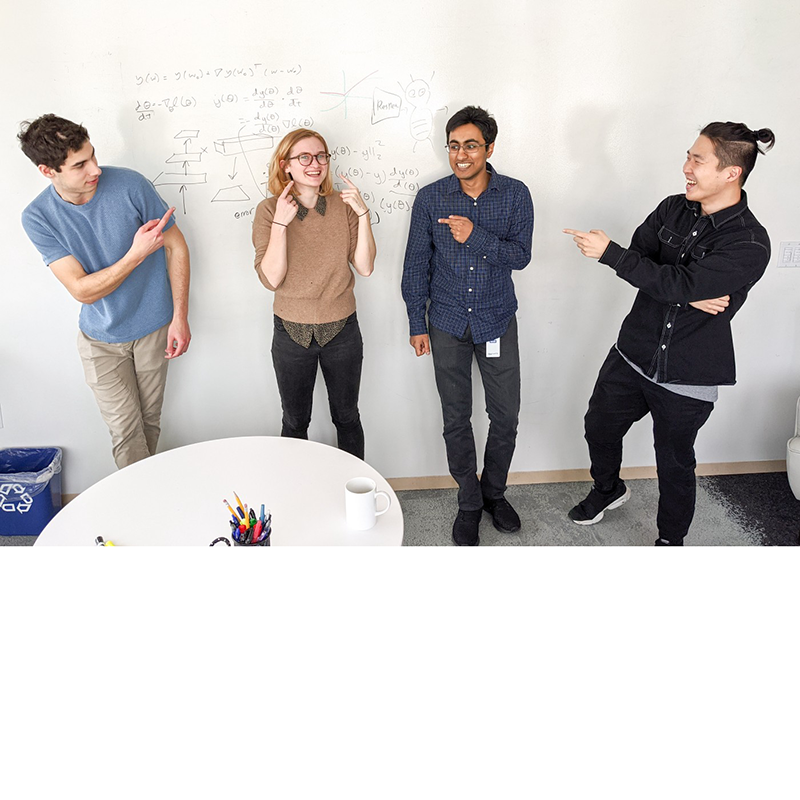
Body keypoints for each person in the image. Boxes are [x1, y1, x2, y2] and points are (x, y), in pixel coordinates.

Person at [564, 121, 775, 546]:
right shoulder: (671, 208)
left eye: (697, 160)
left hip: (689, 373)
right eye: (688, 156)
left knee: (674, 465)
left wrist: (665, 279)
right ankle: (608, 489)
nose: (686, 168)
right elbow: (646, 262)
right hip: (633, 352)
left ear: (731, 172)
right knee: (598, 427)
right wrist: (685, 287)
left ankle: (670, 542)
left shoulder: (751, 242)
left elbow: (654, 274)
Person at [19, 114, 191, 469]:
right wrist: (136, 254)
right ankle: (141, 507)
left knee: (149, 423)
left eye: (93, 155)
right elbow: (82, 290)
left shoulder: (130, 185)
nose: (96, 169)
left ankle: (144, 498)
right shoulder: (37, 217)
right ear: (47, 171)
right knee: (126, 431)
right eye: (80, 165)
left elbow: (176, 247)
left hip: (154, 329)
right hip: (99, 340)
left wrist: (179, 317)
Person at [401, 106, 534, 546]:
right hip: (446, 322)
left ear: (489, 148)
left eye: (471, 145)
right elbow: (416, 265)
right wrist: (415, 324)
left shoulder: (515, 195)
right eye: (454, 145)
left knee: (506, 417)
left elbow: (520, 256)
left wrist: (474, 235)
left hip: (497, 319)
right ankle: (469, 500)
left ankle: (494, 493)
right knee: (456, 418)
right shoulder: (431, 197)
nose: (461, 154)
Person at [252, 128, 376, 459]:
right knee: (294, 422)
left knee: (347, 418)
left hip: (342, 329)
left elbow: (364, 267)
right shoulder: (268, 210)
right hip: (291, 331)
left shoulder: (343, 206)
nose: (315, 163)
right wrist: (281, 223)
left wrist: (363, 214)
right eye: (304, 157)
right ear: (285, 165)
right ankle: (296, 494)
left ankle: (354, 493)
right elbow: (272, 279)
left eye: (321, 156)